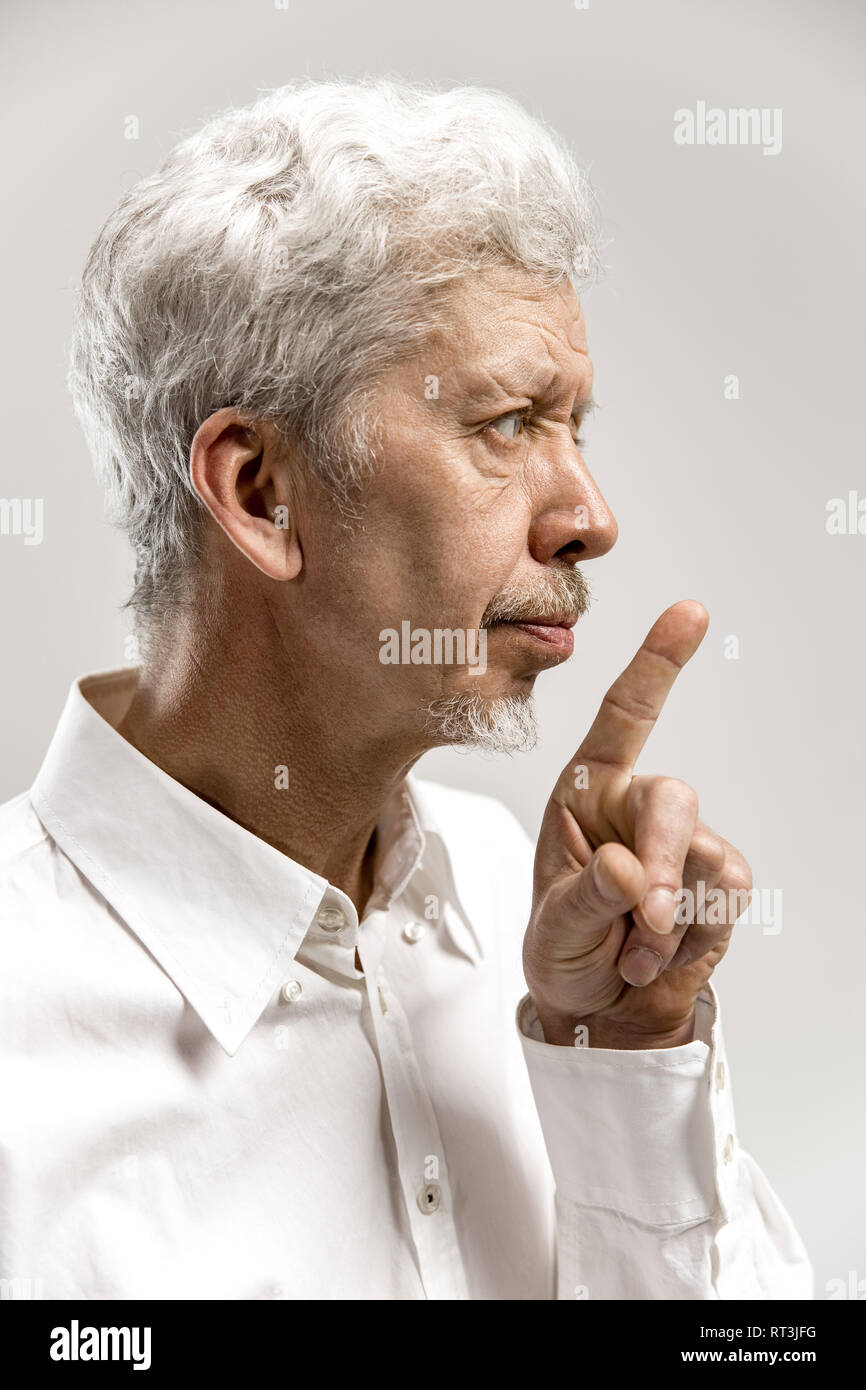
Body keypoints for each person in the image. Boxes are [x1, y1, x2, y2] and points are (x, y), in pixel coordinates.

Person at [0, 78, 812, 1300]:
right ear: (262, 490)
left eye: (575, 425)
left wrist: (621, 1059)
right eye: (505, 422)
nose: (589, 517)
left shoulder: (547, 925)